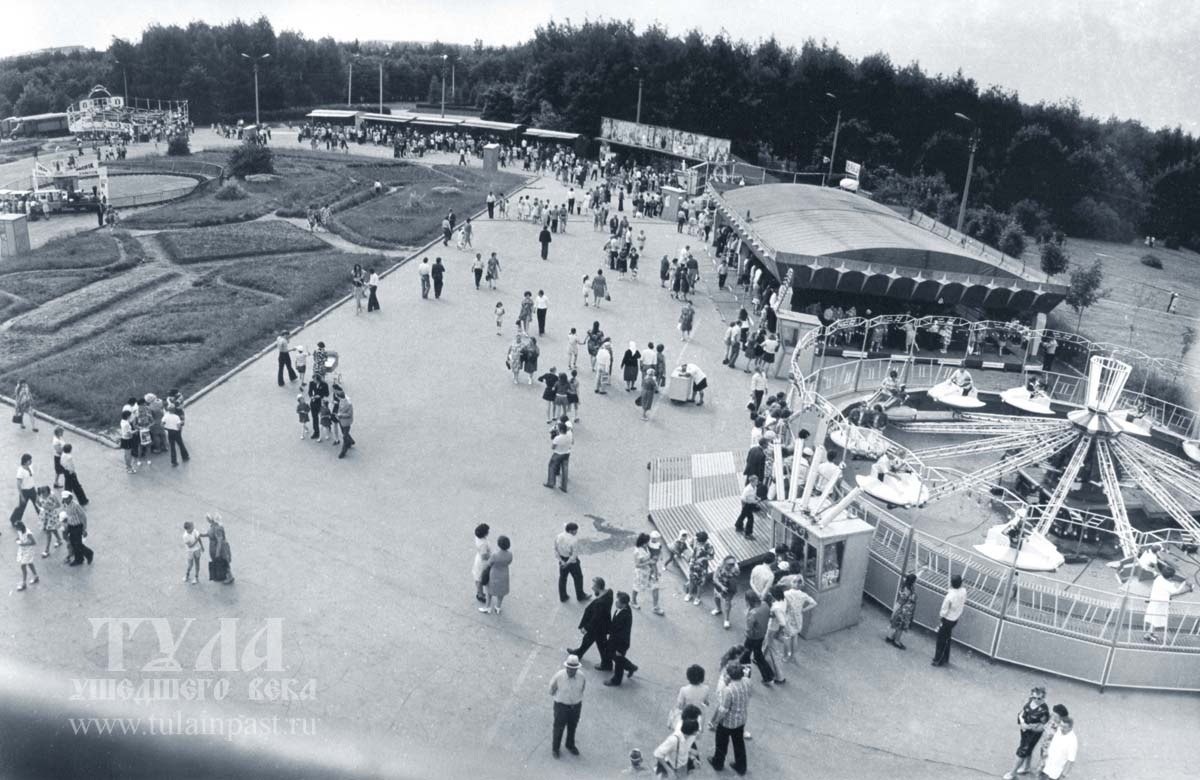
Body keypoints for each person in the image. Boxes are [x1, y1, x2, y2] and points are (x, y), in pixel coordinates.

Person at [708, 662, 751, 774]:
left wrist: (716, 721)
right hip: (741, 719)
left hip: (728, 722)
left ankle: (718, 763)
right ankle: (741, 766)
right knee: (739, 743)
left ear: (730, 676)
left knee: (721, 743)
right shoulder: (747, 682)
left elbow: (723, 709)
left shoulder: (729, 690)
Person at [1003, 687, 1051, 780]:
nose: (1036, 700)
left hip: (1032, 734)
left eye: (1039, 698)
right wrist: (1022, 723)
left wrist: (1029, 726)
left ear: (1043, 698)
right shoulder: (1030, 701)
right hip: (1024, 730)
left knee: (1022, 751)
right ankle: (1026, 767)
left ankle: (1012, 773)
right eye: (1034, 697)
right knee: (1028, 749)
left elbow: (1043, 727)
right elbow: (1022, 712)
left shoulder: (1044, 711)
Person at [568, 577, 613, 669]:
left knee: (601, 644)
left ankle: (607, 664)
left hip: (598, 627)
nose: (592, 588)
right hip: (602, 624)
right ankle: (579, 653)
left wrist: (586, 627)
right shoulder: (609, 593)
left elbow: (595, 618)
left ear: (598, 587)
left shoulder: (600, 603)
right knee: (588, 639)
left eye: (593, 586)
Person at [1143, 563, 1193, 643]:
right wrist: (1185, 586)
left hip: (1155, 602)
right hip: (1159, 604)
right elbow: (1177, 591)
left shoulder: (1158, 578)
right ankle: (1147, 635)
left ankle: (1151, 633)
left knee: (1155, 618)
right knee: (1156, 619)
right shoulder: (1167, 585)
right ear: (1170, 577)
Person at [549, 655, 586, 758]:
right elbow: (551, 689)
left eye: (573, 669)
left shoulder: (581, 676)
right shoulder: (559, 676)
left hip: (576, 706)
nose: (571, 671)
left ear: (577, 669)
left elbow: (582, 688)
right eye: (569, 669)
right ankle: (555, 749)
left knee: (572, 726)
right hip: (561, 706)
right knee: (558, 728)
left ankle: (570, 744)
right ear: (566, 667)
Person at [740, 592, 775, 685]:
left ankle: (745, 679)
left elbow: (749, 629)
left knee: (745, 658)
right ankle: (768, 676)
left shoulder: (752, 613)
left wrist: (747, 614)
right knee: (758, 656)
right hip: (761, 635)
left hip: (752, 638)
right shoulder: (765, 605)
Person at [931, 573, 966, 666]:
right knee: (947, 638)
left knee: (941, 640)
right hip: (955, 619)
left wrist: (941, 617)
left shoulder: (950, 596)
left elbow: (944, 610)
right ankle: (945, 657)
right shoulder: (963, 591)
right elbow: (961, 589)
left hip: (947, 619)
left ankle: (937, 659)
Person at [604, 591, 638, 686]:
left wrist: (620, 649)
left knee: (618, 662)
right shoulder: (622, 609)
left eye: (618, 602)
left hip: (620, 644)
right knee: (614, 656)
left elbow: (624, 634)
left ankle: (616, 680)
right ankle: (631, 667)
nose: (616, 603)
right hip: (614, 640)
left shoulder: (625, 616)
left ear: (623, 604)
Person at [555, 522, 590, 603]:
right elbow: (574, 556)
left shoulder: (558, 537)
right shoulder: (573, 540)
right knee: (578, 578)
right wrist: (567, 563)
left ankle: (563, 596)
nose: (576, 532)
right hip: (572, 562)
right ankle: (580, 595)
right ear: (571, 531)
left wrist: (561, 562)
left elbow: (556, 551)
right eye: (575, 531)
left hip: (562, 560)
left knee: (563, 578)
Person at [670, 665, 711, 731]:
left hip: (687, 715)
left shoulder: (684, 690)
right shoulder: (706, 688)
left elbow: (679, 705)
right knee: (695, 732)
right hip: (699, 715)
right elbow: (706, 702)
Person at [479, 535, 512, 614]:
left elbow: (489, 563)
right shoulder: (510, 554)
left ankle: (487, 607)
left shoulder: (495, 555)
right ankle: (498, 607)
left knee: (489, 591)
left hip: (494, 575)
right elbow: (509, 562)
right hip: (504, 575)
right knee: (501, 592)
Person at [885, 572, 918, 649]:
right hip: (903, 610)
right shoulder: (909, 591)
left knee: (895, 624)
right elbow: (904, 601)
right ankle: (897, 641)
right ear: (913, 582)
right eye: (915, 581)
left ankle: (889, 637)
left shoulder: (904, 585)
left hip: (900, 608)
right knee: (900, 626)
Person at [61, 493, 92, 566]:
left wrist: (84, 529)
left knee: (78, 544)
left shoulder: (76, 505)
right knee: (73, 543)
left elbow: (83, 516)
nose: (65, 500)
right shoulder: (65, 505)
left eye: (66, 498)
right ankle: (79, 559)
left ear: (70, 497)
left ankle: (89, 553)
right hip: (71, 526)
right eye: (64, 498)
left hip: (78, 526)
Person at [684, 531, 715, 605]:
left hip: (702, 567)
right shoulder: (696, 540)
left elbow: (711, 557)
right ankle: (689, 594)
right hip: (693, 564)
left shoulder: (709, 546)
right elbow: (693, 549)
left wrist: (703, 558)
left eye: (699, 541)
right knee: (691, 580)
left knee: (700, 583)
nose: (698, 542)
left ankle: (698, 598)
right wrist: (691, 560)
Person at [712, 555, 740, 629]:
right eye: (730, 564)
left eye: (733, 563)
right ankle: (718, 609)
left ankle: (726, 620)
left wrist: (733, 574)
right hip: (720, 585)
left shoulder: (735, 568)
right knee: (716, 597)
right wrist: (721, 586)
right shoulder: (719, 566)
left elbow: (735, 580)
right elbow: (714, 578)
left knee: (727, 602)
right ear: (724, 563)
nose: (732, 565)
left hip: (729, 587)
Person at [11, 453, 37, 527]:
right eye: (29, 460)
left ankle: (43, 519)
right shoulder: (20, 471)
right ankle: (14, 520)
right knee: (22, 507)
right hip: (25, 491)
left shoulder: (30, 466)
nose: (31, 461)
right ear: (25, 461)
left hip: (32, 489)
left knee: (37, 504)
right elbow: (18, 485)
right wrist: (22, 496)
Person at [545, 422, 572, 493]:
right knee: (565, 469)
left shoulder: (557, 438)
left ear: (561, 430)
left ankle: (551, 483)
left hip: (558, 454)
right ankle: (564, 486)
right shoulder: (569, 435)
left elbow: (553, 447)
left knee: (551, 467)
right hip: (566, 453)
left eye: (559, 429)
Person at [734, 475, 761, 540]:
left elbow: (753, 494)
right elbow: (743, 498)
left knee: (743, 515)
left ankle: (738, 525)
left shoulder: (754, 487)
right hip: (747, 504)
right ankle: (748, 533)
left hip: (750, 504)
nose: (757, 482)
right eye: (756, 481)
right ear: (752, 482)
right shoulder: (747, 489)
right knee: (750, 518)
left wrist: (757, 497)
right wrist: (752, 501)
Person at [14, 520, 38, 590]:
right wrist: (17, 540)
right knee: (30, 563)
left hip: (29, 550)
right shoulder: (19, 531)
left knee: (23, 565)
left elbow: (34, 542)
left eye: (17, 527)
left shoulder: (28, 533)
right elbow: (19, 537)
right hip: (23, 550)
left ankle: (24, 584)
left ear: (20, 526)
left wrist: (23, 544)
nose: (16, 529)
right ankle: (36, 576)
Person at [472, 523, 491, 604]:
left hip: (478, 558)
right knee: (480, 578)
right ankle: (480, 594)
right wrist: (492, 555)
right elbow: (484, 556)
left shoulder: (478, 538)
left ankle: (480, 592)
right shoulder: (483, 544)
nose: (488, 532)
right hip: (482, 562)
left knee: (478, 576)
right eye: (487, 531)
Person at [335, 390, 355, 459]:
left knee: (344, 436)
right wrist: (338, 415)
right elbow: (339, 409)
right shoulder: (341, 401)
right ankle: (350, 441)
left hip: (346, 422)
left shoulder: (348, 404)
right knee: (344, 432)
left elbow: (349, 414)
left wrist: (341, 415)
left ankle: (343, 452)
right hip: (341, 420)